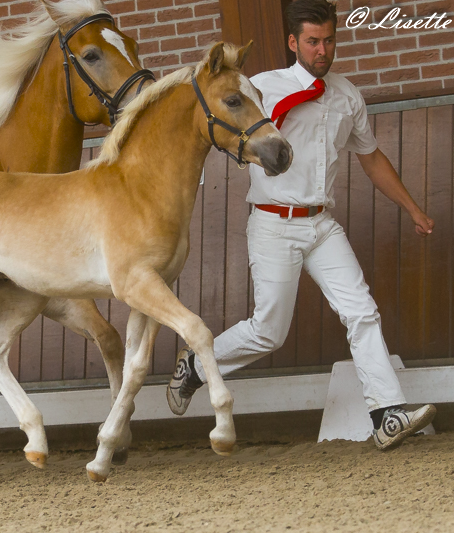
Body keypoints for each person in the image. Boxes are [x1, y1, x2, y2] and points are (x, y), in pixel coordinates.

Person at [166, 0, 436, 450]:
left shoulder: (347, 95)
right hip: (272, 225)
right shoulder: (261, 88)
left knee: (362, 312)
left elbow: (370, 159)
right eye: (313, 41)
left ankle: (386, 415)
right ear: (294, 42)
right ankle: (195, 364)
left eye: (329, 40)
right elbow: (216, 125)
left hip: (321, 225)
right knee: (269, 331)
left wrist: (412, 207)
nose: (322, 50)